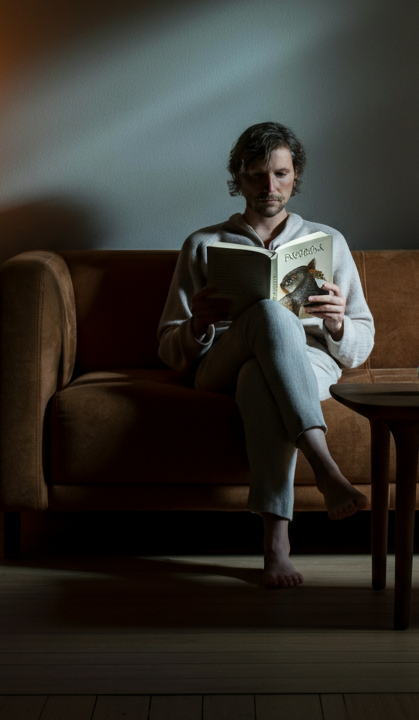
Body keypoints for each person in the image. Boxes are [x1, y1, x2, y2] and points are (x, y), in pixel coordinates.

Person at [157, 121, 374, 588]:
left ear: (296, 175)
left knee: (261, 378)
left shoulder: (328, 241)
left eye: (279, 174)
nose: (269, 187)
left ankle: (276, 543)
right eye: (256, 175)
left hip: (308, 363)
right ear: (238, 177)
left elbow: (361, 344)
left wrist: (337, 323)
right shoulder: (203, 244)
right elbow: (170, 348)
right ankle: (324, 464)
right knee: (271, 316)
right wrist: (196, 326)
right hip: (222, 361)